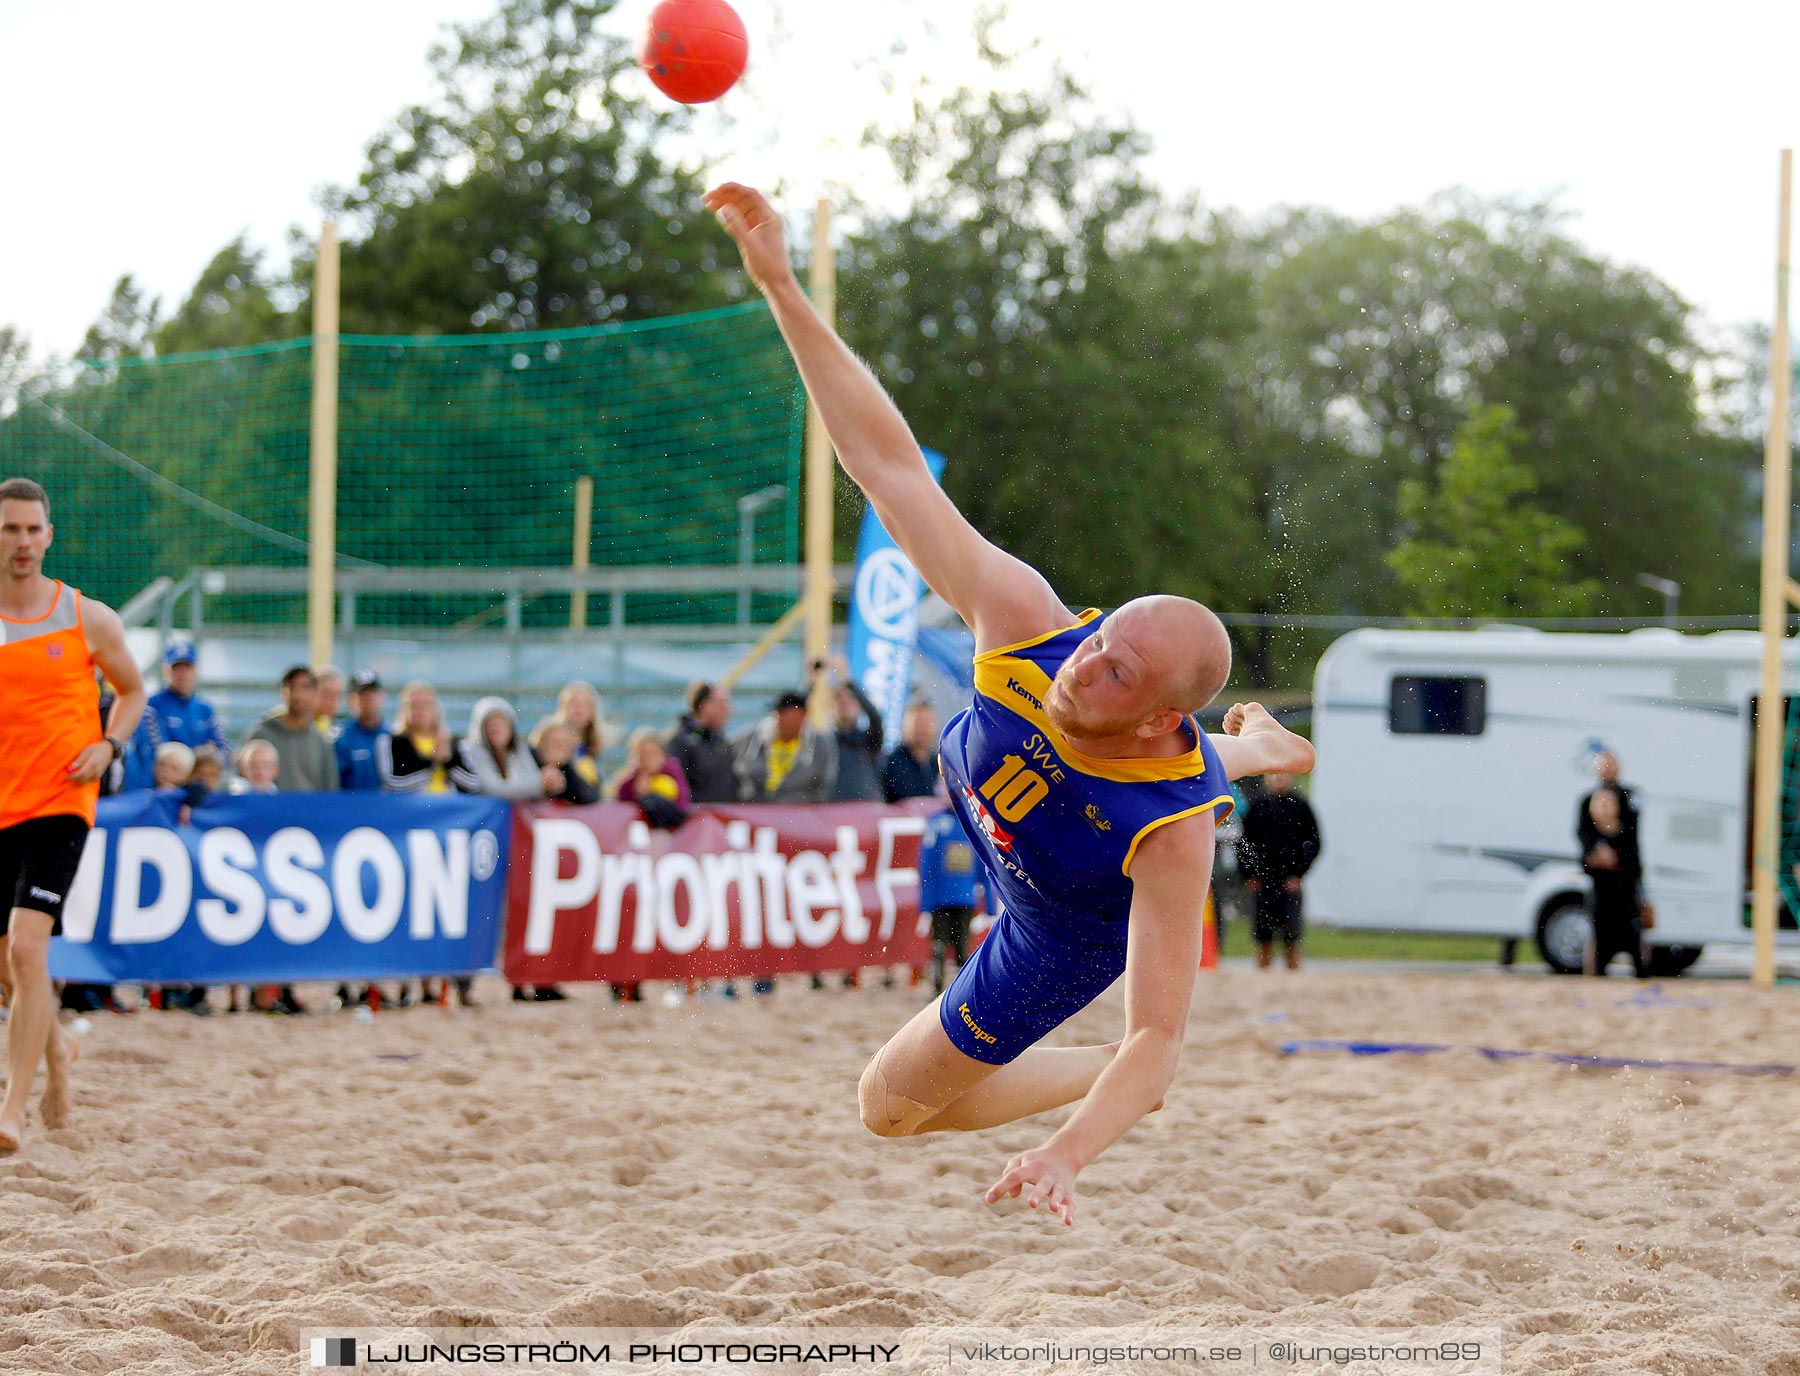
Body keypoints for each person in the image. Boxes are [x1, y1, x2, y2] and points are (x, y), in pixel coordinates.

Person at [707, 183, 1315, 1223]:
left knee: (887, 1109)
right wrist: (781, 287)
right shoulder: (1028, 623)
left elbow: (1160, 1033)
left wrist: (1070, 1151)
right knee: (1217, 755)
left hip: (1049, 928)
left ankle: (1262, 748)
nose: (1089, 664)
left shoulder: (1170, 829)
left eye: (1120, 672)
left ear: (1162, 713)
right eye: (1105, 636)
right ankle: (1266, 742)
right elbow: (887, 464)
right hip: (1020, 822)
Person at [0, 477, 146, 1151]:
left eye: (32, 529)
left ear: (49, 536)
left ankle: (11, 1109)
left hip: (62, 799)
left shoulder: (86, 616)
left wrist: (107, 743)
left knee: (30, 951)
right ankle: (57, 1056)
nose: (23, 541)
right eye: (10, 529)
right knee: (9, 970)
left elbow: (132, 691)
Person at [1238, 772, 1322, 971]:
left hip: (1289, 881)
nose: (1278, 779)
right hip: (1262, 880)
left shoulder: (1300, 806)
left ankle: (1293, 976)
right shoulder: (1258, 805)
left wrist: (1299, 874)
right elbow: (1243, 843)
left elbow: (1314, 843)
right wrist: (1249, 874)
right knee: (1263, 935)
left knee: (1291, 934)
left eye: (1283, 775)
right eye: (1273, 775)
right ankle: (1263, 975)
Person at [125, 640, 231, 791]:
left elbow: (223, 749)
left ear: (195, 670)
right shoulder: (152, 706)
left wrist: (205, 763)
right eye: (176, 668)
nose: (182, 674)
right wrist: (196, 758)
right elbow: (161, 752)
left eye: (186, 668)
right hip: (165, 787)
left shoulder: (205, 708)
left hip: (199, 786)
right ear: (165, 671)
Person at [918, 779, 985, 995]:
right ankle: (936, 991)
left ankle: (961, 993)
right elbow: (926, 865)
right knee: (938, 946)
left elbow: (984, 865)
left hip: (964, 899)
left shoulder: (974, 823)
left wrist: (990, 905)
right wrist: (926, 904)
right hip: (941, 899)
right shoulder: (935, 823)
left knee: (962, 948)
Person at [1581, 784, 1647, 978]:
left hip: (1625, 896)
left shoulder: (1626, 830)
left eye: (1609, 802)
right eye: (1600, 803)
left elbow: (1635, 862)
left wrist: (1615, 861)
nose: (1605, 807)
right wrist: (1596, 860)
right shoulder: (1590, 834)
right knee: (1599, 948)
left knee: (1635, 946)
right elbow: (1584, 864)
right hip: (1602, 898)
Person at [245, 667, 340, 793]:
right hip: (269, 811)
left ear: (315, 693)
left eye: (305, 687)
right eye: (291, 687)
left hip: (309, 811)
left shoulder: (321, 741)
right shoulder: (261, 734)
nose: (298, 694)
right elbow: (241, 780)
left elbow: (331, 789)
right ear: (283, 692)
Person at [735, 690, 838, 804]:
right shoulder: (754, 738)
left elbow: (824, 784)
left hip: (800, 812)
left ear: (803, 715)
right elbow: (738, 770)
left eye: (786, 713)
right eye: (779, 713)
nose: (781, 718)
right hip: (756, 809)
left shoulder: (818, 744)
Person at [379, 682, 481, 794]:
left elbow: (474, 784)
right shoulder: (392, 742)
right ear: (403, 709)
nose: (420, 709)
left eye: (426, 704)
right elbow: (393, 783)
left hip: (450, 809)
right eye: (414, 704)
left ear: (436, 709)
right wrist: (433, 763)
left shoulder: (454, 743)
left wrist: (448, 762)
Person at [822, 657, 886, 802]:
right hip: (834, 813)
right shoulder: (825, 742)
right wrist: (813, 682)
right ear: (831, 707)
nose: (844, 703)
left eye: (850, 698)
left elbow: (875, 716)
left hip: (867, 812)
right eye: (839, 699)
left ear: (859, 706)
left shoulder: (868, 740)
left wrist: (847, 679)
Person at [464, 697, 547, 801]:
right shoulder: (469, 751)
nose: (496, 728)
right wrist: (540, 783)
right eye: (490, 723)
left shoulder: (520, 750)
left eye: (501, 721)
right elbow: (491, 790)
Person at [668, 681, 738, 803]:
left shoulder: (721, 742)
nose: (729, 711)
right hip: (694, 819)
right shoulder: (679, 742)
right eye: (723, 705)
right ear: (705, 705)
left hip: (722, 818)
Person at [613, 727, 692, 822]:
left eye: (653, 754)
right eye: (643, 755)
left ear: (663, 755)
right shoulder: (631, 780)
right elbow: (621, 805)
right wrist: (636, 794)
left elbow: (682, 805)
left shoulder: (672, 772)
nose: (648, 760)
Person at [335, 672, 390, 791]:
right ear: (351, 700)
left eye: (372, 693)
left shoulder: (394, 735)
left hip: (388, 806)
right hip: (353, 806)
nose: (368, 698)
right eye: (362, 694)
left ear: (382, 696)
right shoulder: (341, 738)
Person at [555, 681, 610, 799]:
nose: (579, 708)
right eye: (574, 703)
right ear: (563, 706)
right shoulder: (552, 736)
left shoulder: (594, 745)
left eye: (585, 704)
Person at [529, 718, 601, 805]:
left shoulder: (566, 769)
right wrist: (541, 783)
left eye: (566, 743)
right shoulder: (527, 761)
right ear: (542, 742)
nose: (561, 747)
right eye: (555, 742)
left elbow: (589, 797)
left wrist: (564, 778)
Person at [882, 702, 940, 803]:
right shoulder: (892, 763)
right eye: (918, 723)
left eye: (927, 723)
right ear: (905, 727)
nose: (922, 729)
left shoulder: (940, 763)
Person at [315, 667, 345, 732]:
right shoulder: (296, 724)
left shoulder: (340, 730)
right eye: (327, 693)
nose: (333, 699)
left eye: (337, 694)